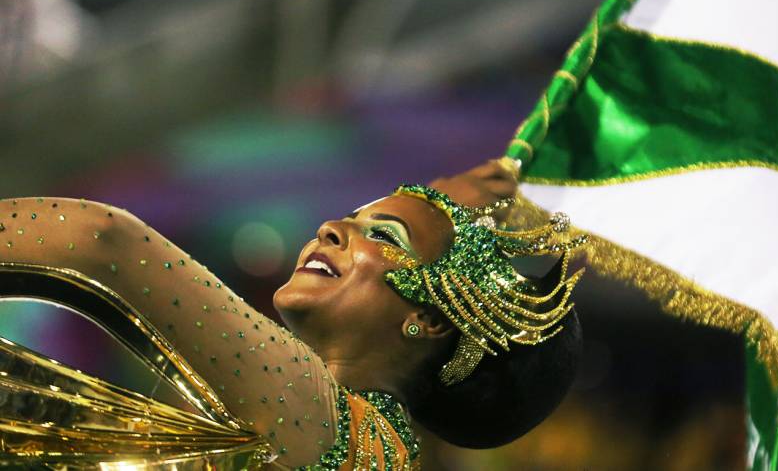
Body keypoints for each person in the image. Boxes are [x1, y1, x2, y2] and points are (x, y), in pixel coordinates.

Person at [0, 158, 585, 469]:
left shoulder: (355, 443)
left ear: (430, 321)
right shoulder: (310, 428)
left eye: (382, 235)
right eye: (351, 219)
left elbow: (104, 240)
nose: (332, 227)